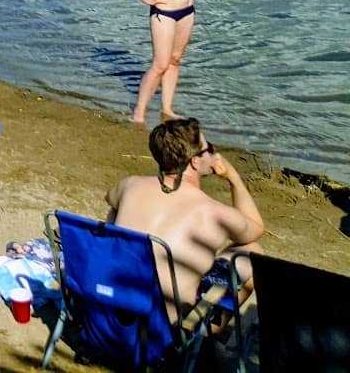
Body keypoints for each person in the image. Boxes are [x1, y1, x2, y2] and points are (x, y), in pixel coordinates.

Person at [105, 118, 265, 321]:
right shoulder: (215, 212)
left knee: (115, 211)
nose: (215, 155)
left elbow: (110, 198)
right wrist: (234, 178)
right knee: (253, 252)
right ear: (195, 161)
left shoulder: (130, 185)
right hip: (164, 326)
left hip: (108, 308)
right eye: (210, 149)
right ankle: (205, 332)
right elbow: (256, 228)